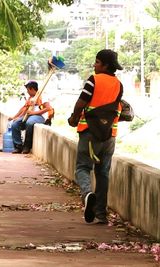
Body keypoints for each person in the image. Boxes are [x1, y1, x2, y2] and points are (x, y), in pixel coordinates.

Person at [67, 49, 123, 224]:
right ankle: (100, 214)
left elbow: (81, 103)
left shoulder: (93, 80)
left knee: (82, 168)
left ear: (105, 65)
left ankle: (87, 194)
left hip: (90, 133)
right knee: (103, 172)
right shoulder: (118, 84)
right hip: (110, 135)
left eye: (97, 62)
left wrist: (74, 118)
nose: (94, 65)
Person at [8, 81, 53, 154]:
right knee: (15, 124)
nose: (27, 92)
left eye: (28, 90)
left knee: (29, 123)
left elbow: (48, 108)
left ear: (32, 89)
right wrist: (15, 117)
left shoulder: (42, 96)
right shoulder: (30, 98)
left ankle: (27, 146)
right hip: (28, 116)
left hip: (39, 116)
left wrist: (33, 113)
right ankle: (18, 146)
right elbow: (24, 109)